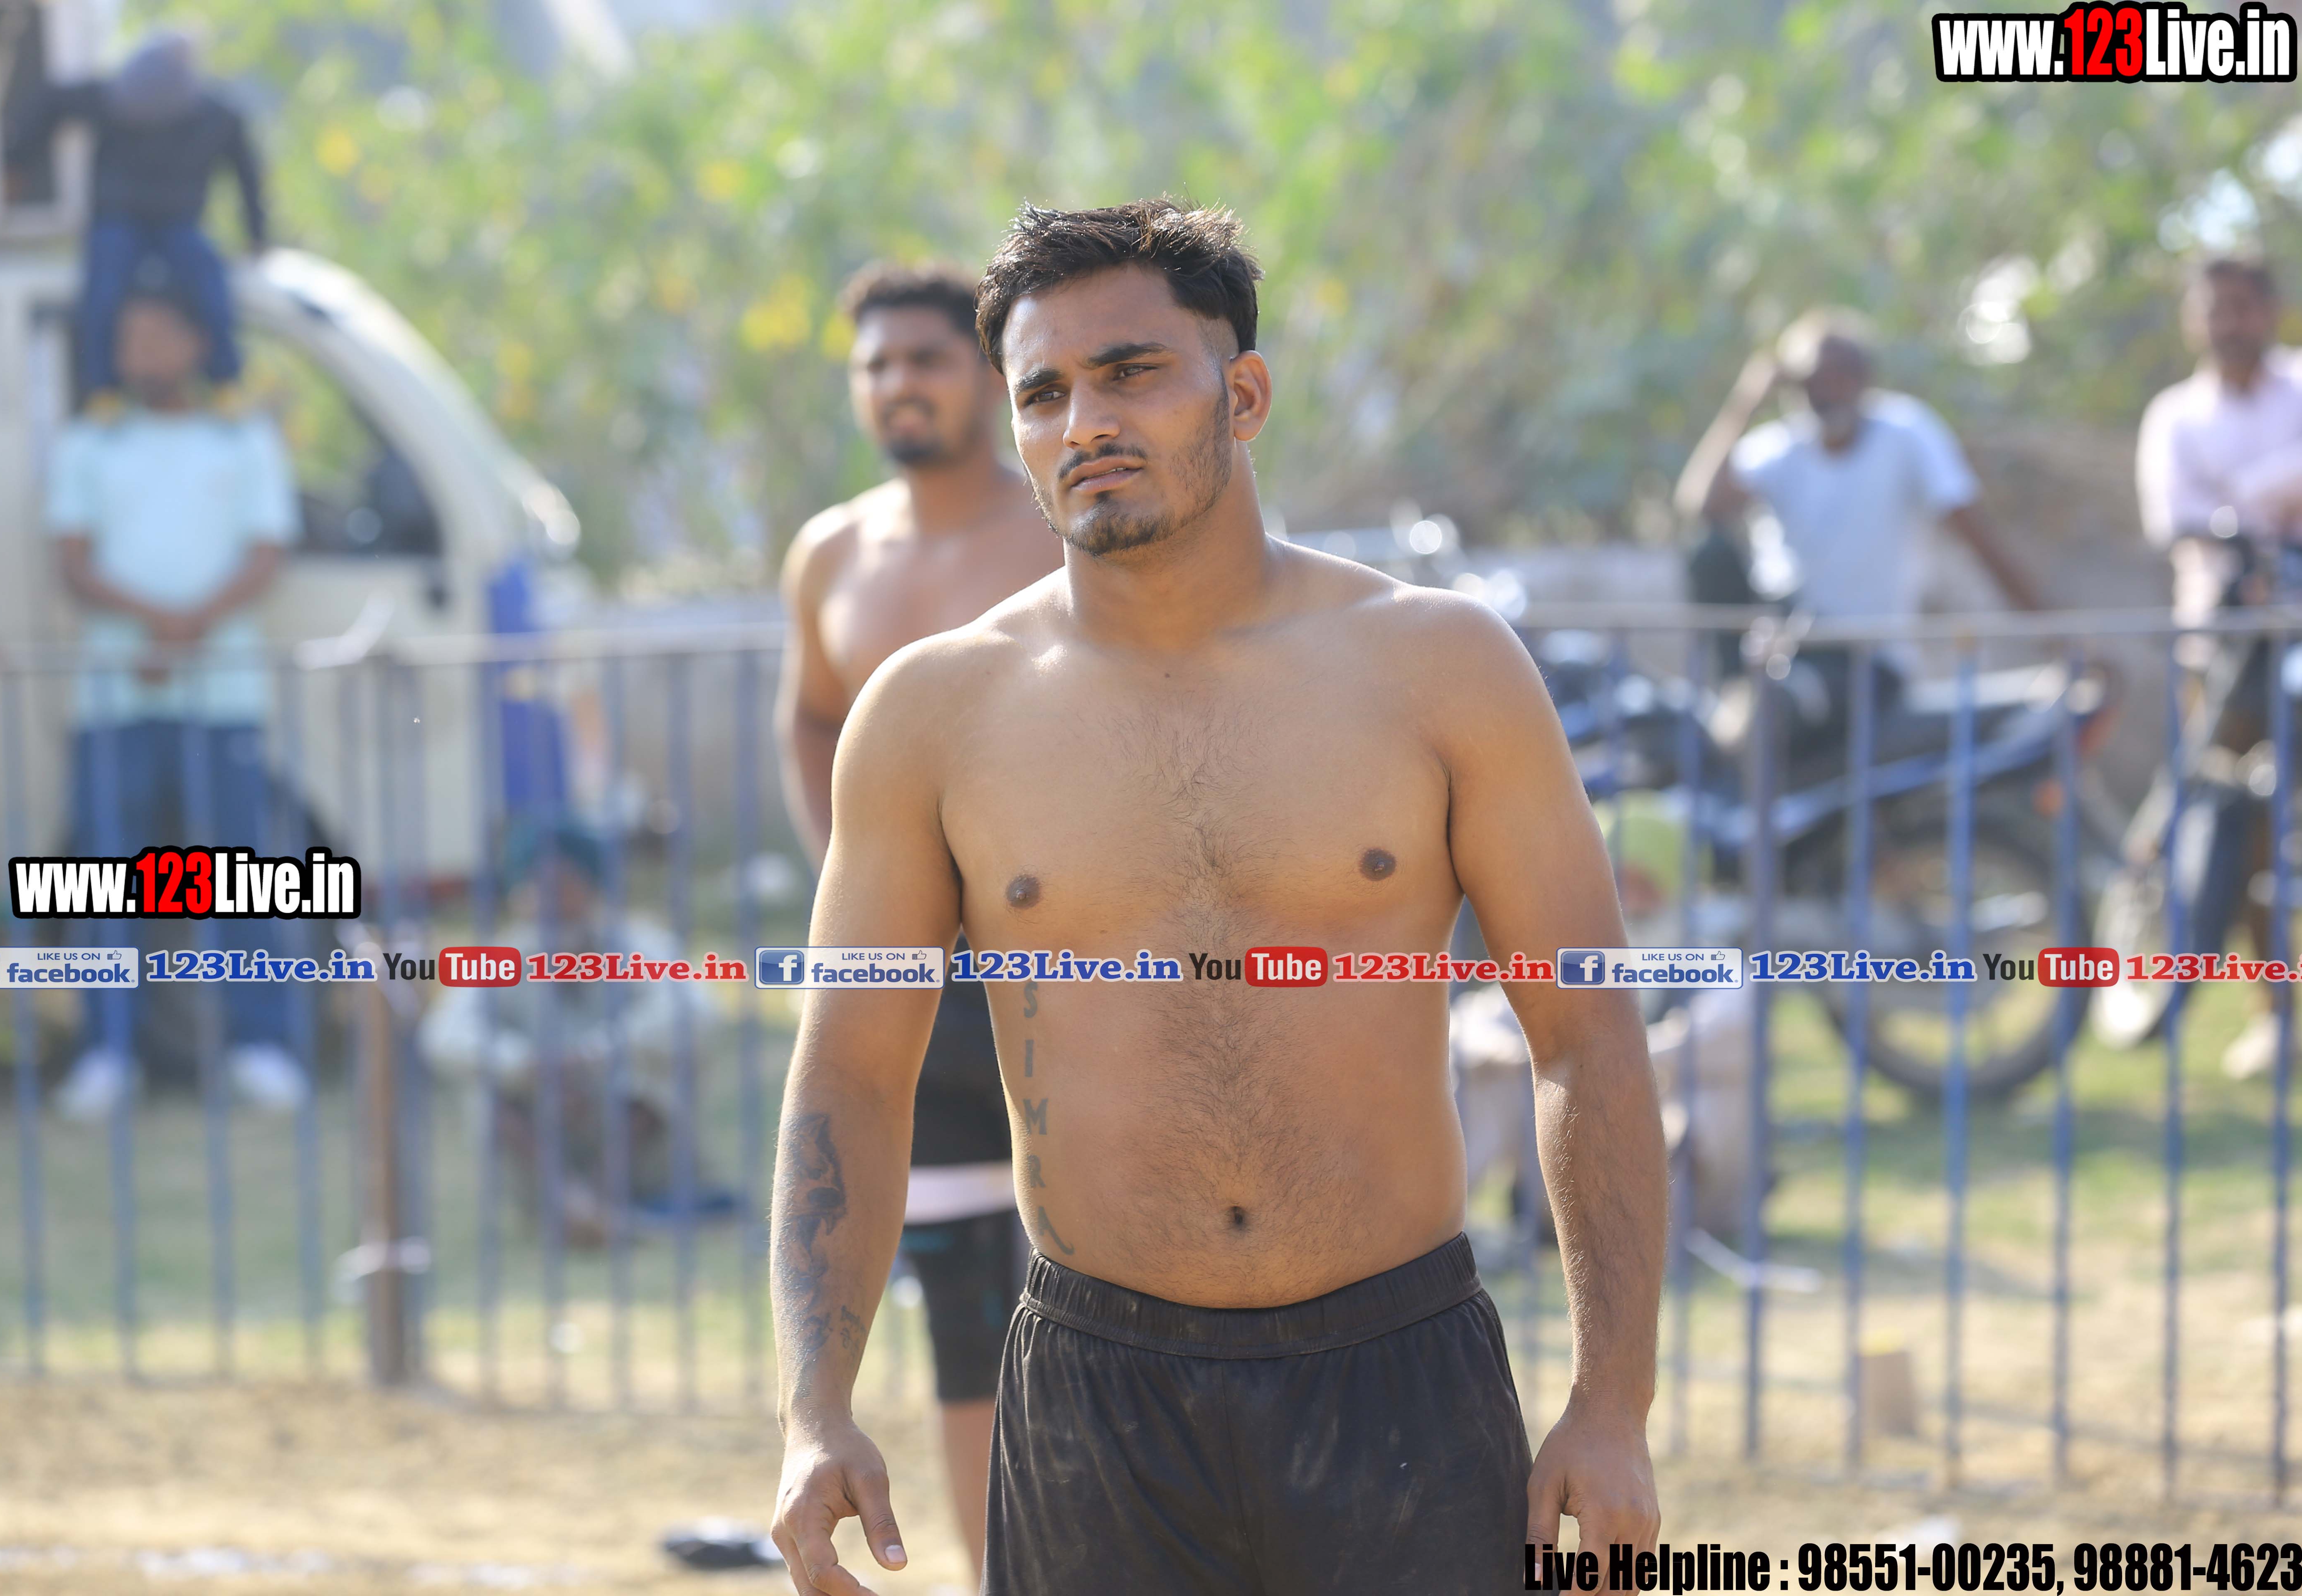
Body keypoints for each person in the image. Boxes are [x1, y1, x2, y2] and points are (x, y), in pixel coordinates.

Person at [766, 199, 1666, 1596]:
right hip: (1095, 1391)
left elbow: (1586, 1037)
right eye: (1044, 394)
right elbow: (849, 1075)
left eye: (1132, 373)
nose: (1086, 424)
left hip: (1399, 1371)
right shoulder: (933, 715)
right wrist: (814, 1410)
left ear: (1242, 394)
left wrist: (1613, 1404)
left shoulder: (1440, 667)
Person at [771, 262, 1062, 1584]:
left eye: (927, 360)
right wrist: (859, 886)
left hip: (1075, 982)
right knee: (965, 1322)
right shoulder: (831, 553)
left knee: (1113, 1295)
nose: (900, 385)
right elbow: (810, 716)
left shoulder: (1063, 529)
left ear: (988, 378)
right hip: (914, 1002)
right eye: (876, 365)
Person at [49, 284, 299, 1121]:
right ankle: (107, 1052)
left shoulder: (243, 440)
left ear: (197, 343)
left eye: (158, 334)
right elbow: (73, 560)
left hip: (222, 695)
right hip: (116, 698)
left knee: (239, 875)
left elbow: (266, 554)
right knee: (101, 879)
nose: (142, 352)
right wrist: (160, 626)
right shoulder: (90, 443)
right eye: (129, 337)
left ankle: (261, 1046)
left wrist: (189, 628)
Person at [2135, 255, 2302, 1078]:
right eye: (2215, 308)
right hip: (2224, 652)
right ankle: (2275, 1014)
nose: (2230, 323)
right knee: (2244, 826)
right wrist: (2272, 509)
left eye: (2245, 306)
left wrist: (2240, 503)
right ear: (2195, 318)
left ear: (2272, 309)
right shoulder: (2175, 415)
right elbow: (2174, 516)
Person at [1675, 309, 2041, 750]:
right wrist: (1746, 400)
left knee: (1779, 709)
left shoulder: (1906, 433)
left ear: (1866, 378)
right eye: (1814, 379)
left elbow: (1979, 537)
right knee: (1710, 551)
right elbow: (1699, 506)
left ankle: (1752, 715)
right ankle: (1738, 694)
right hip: (1785, 638)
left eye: (1843, 375)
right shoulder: (1780, 447)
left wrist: (2053, 631)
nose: (1829, 390)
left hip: (1863, 658)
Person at [419, 818, 724, 1243]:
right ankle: (569, 1201)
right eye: (535, 884)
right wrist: (526, 1065)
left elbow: (698, 1012)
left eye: (564, 882)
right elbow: (443, 1035)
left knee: (664, 1071)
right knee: (484, 1094)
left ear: (593, 886)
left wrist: (597, 1055)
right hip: (545, 1126)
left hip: (631, 1134)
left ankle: (600, 1201)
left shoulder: (637, 943)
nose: (549, 898)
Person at [3, 30, 267, 407]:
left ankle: (225, 379)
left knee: (211, 283)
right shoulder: (113, 99)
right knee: (101, 290)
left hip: (179, 223)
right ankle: (103, 389)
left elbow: (247, 173)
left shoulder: (214, 116)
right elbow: (51, 102)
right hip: (119, 218)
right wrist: (14, 163)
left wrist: (257, 234)